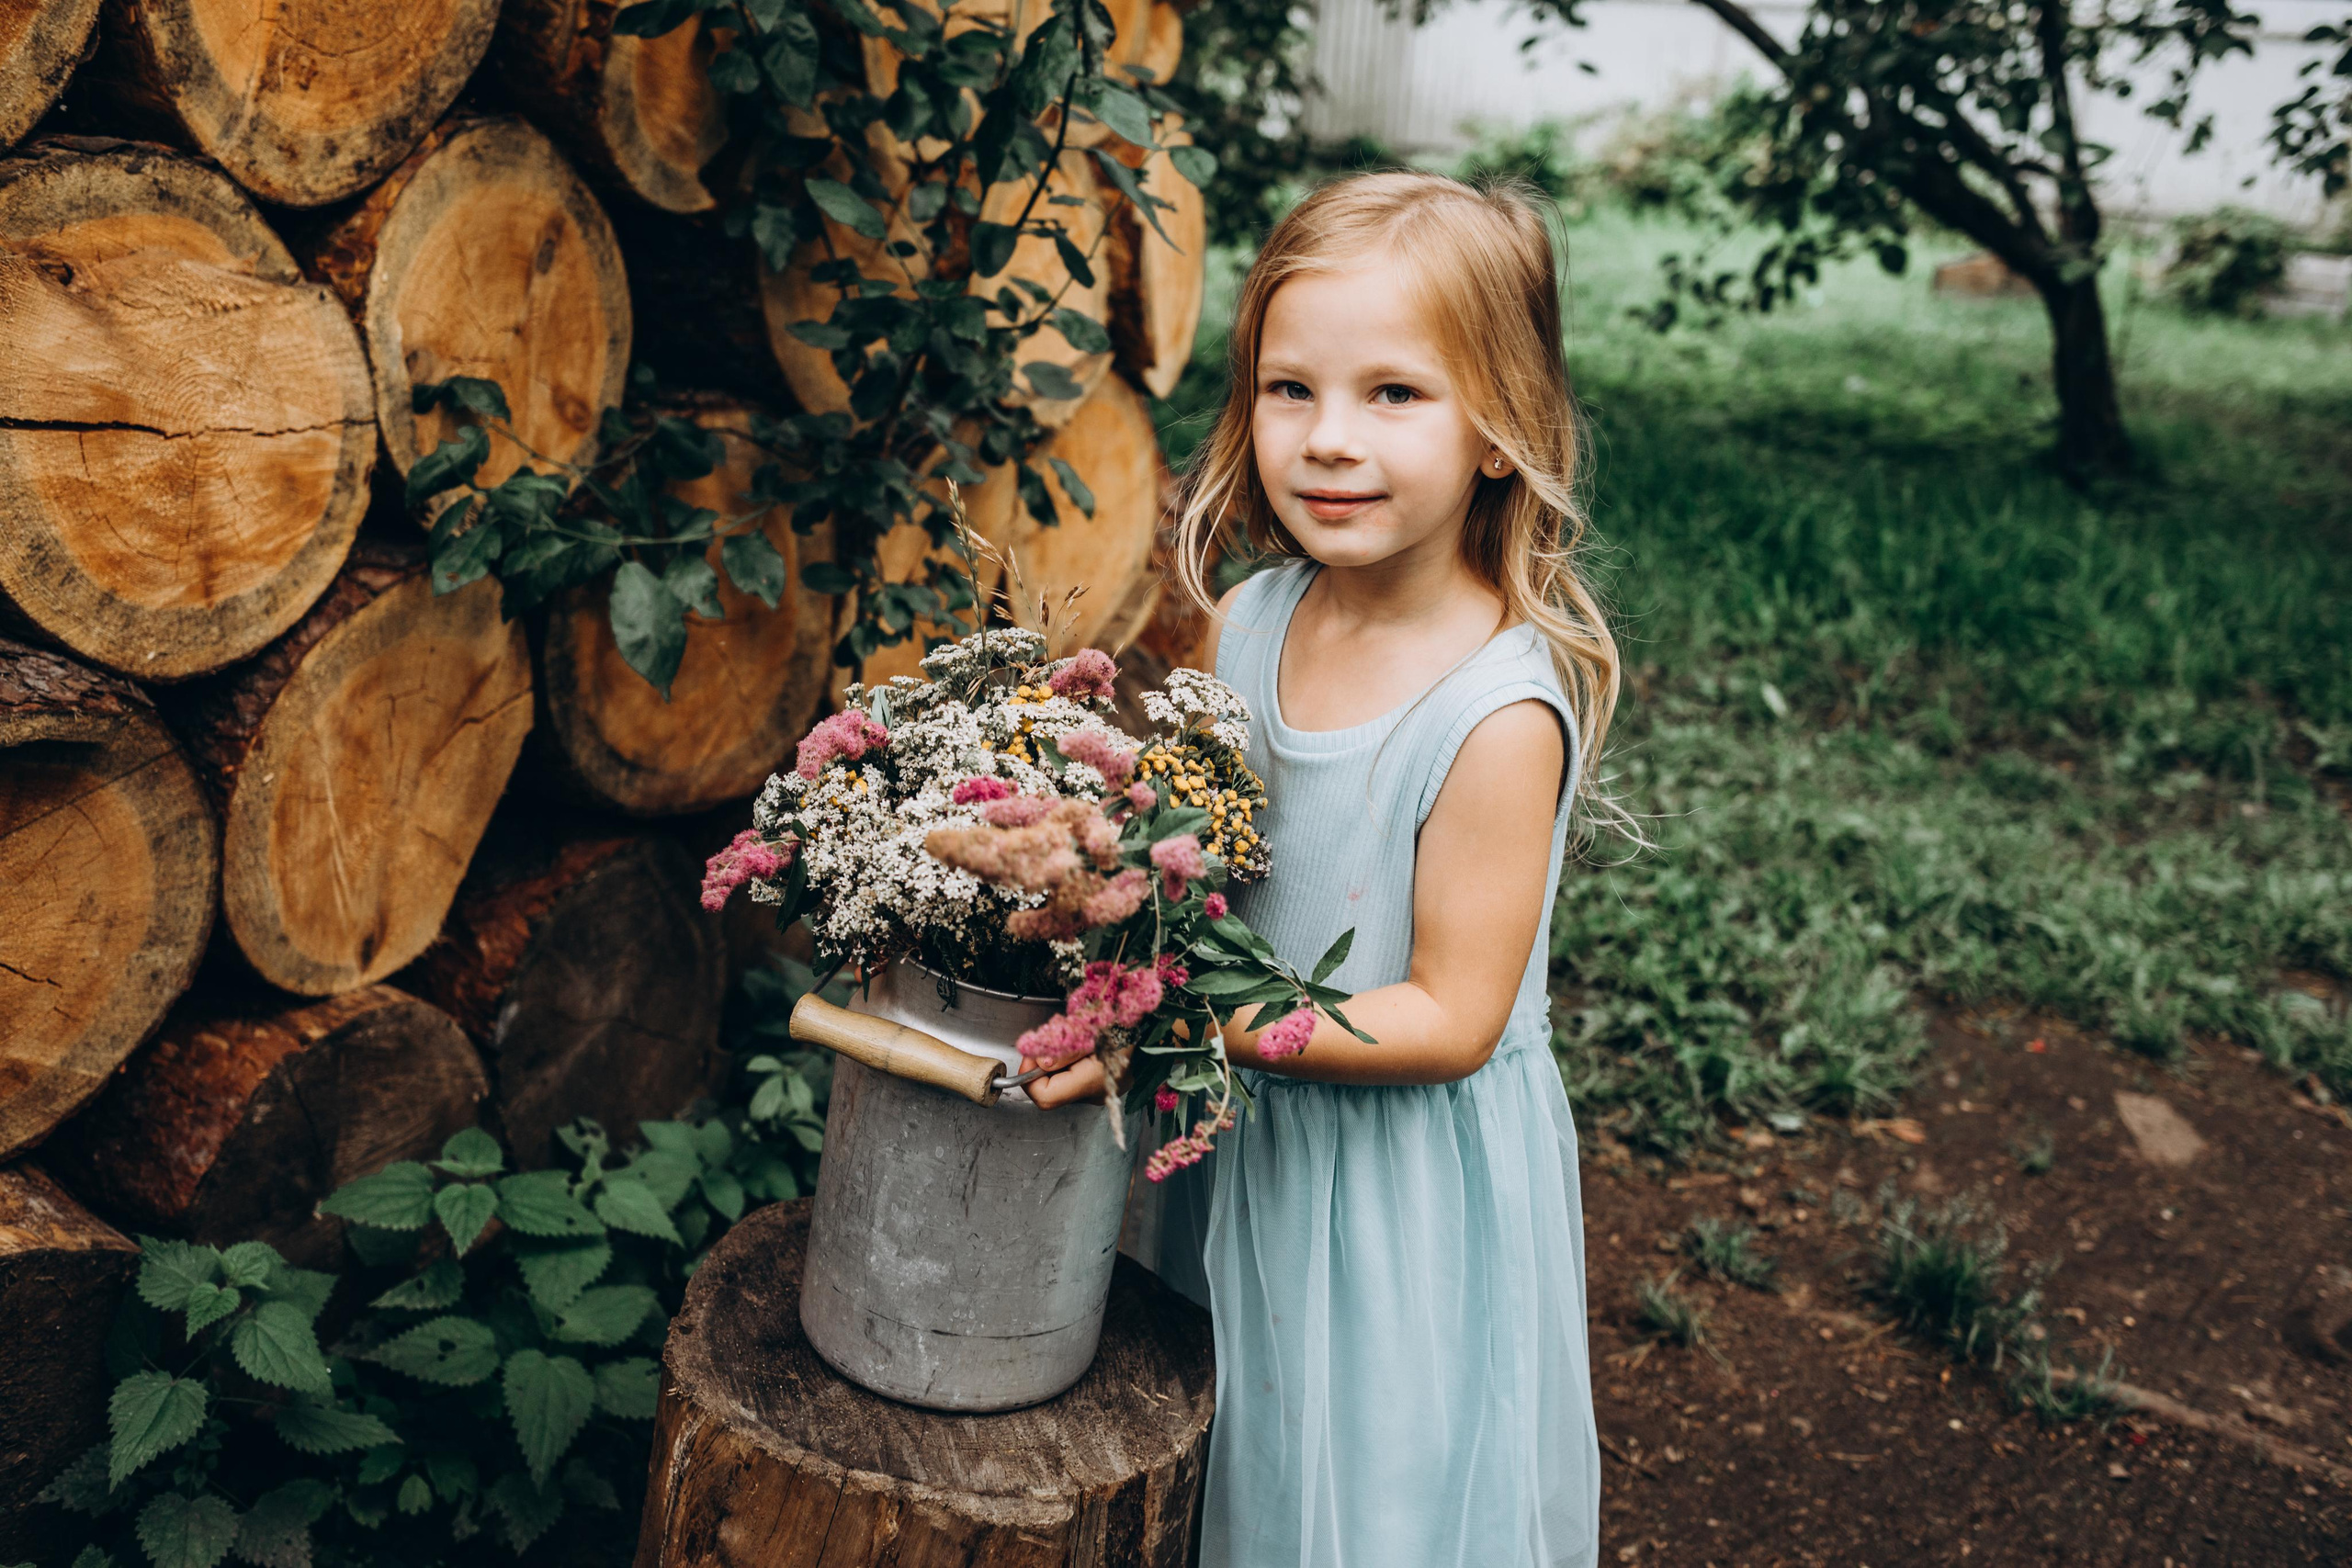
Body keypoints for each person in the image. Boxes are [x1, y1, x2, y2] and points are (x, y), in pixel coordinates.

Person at [1024, 169, 1622, 1568]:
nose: (1329, 442)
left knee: (1364, 1498)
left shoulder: (1493, 712)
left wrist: (1179, 1025)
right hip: (1232, 1144)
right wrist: (1090, 874)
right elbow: (1195, 858)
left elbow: (1451, 1018)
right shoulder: (1245, 622)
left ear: (1502, 430)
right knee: (1225, 1458)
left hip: (1393, 1189)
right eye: (1290, 390)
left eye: (1394, 396)